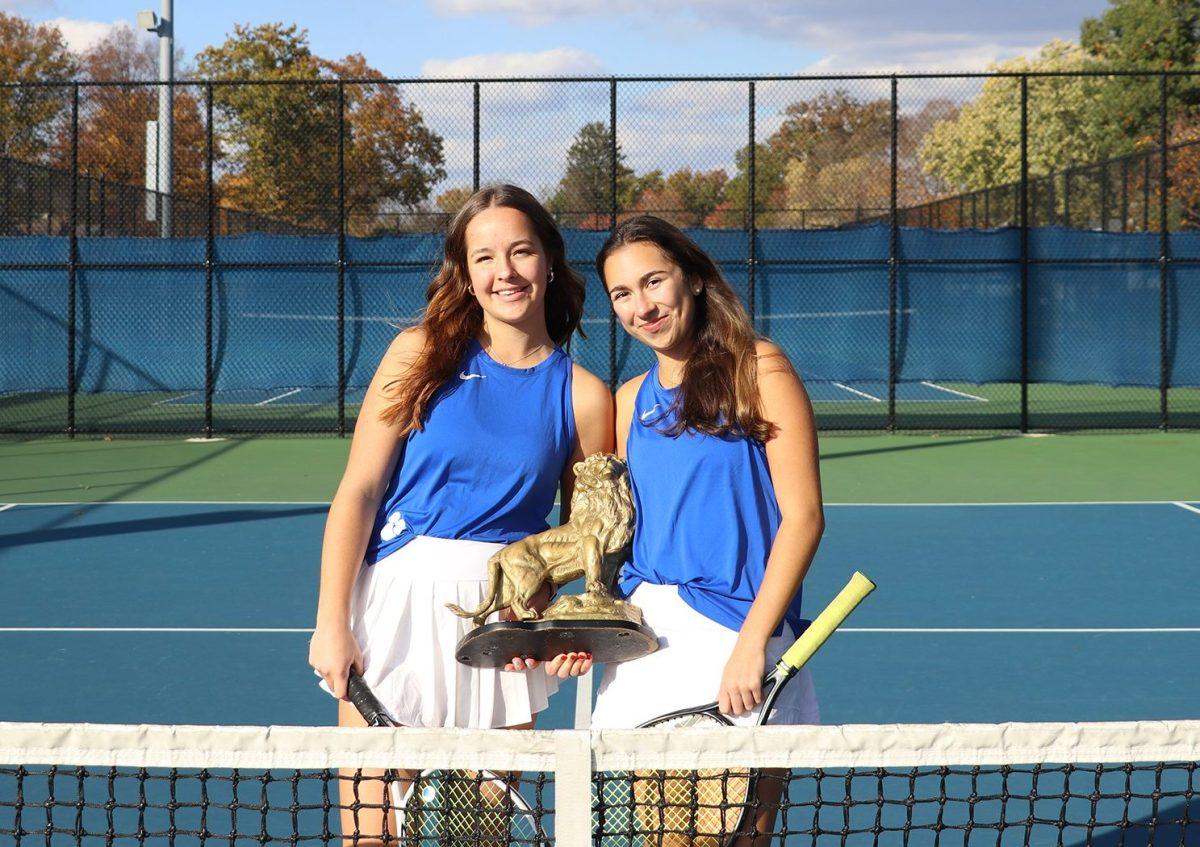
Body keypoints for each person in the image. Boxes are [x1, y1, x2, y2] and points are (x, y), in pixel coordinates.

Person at [308, 184, 613, 844]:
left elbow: (587, 538)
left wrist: (557, 622)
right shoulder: (418, 355)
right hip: (392, 610)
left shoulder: (585, 396)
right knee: (369, 836)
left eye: (521, 251)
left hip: (498, 634)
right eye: (485, 257)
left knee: (483, 837)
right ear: (466, 274)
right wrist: (331, 621)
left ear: (550, 263)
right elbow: (358, 490)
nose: (505, 271)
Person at [590, 215, 824, 842]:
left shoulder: (759, 369)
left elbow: (803, 518)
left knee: (741, 838)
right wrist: (583, 627)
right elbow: (615, 539)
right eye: (622, 294)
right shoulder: (627, 400)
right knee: (671, 838)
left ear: (691, 280)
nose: (642, 306)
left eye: (653, 282)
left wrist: (751, 644)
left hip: (739, 637)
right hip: (651, 647)